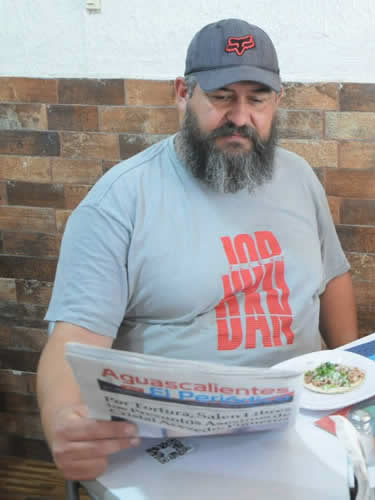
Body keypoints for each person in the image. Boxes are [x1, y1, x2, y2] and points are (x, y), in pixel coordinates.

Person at [36, 18, 358, 480]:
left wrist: (354, 374)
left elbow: (332, 278)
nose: (240, 117)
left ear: (278, 101)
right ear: (183, 94)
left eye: (257, 99)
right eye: (222, 96)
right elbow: (71, 342)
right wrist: (62, 419)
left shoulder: (298, 176)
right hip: (176, 443)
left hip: (303, 420)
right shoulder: (120, 201)